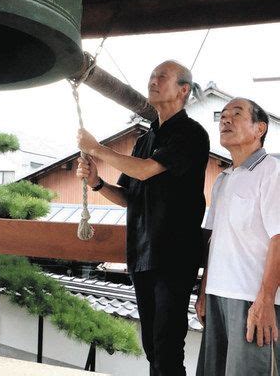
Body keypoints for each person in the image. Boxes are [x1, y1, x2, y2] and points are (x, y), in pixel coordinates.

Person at [77, 60, 210, 376]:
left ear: (183, 90)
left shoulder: (191, 134)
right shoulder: (144, 140)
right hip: (141, 255)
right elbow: (129, 197)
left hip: (174, 256)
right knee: (152, 347)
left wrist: (97, 149)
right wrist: (97, 183)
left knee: (166, 346)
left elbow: (147, 169)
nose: (153, 80)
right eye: (151, 75)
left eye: (161, 76)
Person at [196, 98, 280, 376]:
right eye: (222, 115)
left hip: (253, 298)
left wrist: (266, 300)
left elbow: (279, 239)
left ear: (260, 129)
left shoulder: (273, 172)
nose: (225, 119)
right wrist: (204, 291)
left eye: (236, 114)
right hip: (218, 294)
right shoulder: (223, 179)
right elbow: (215, 242)